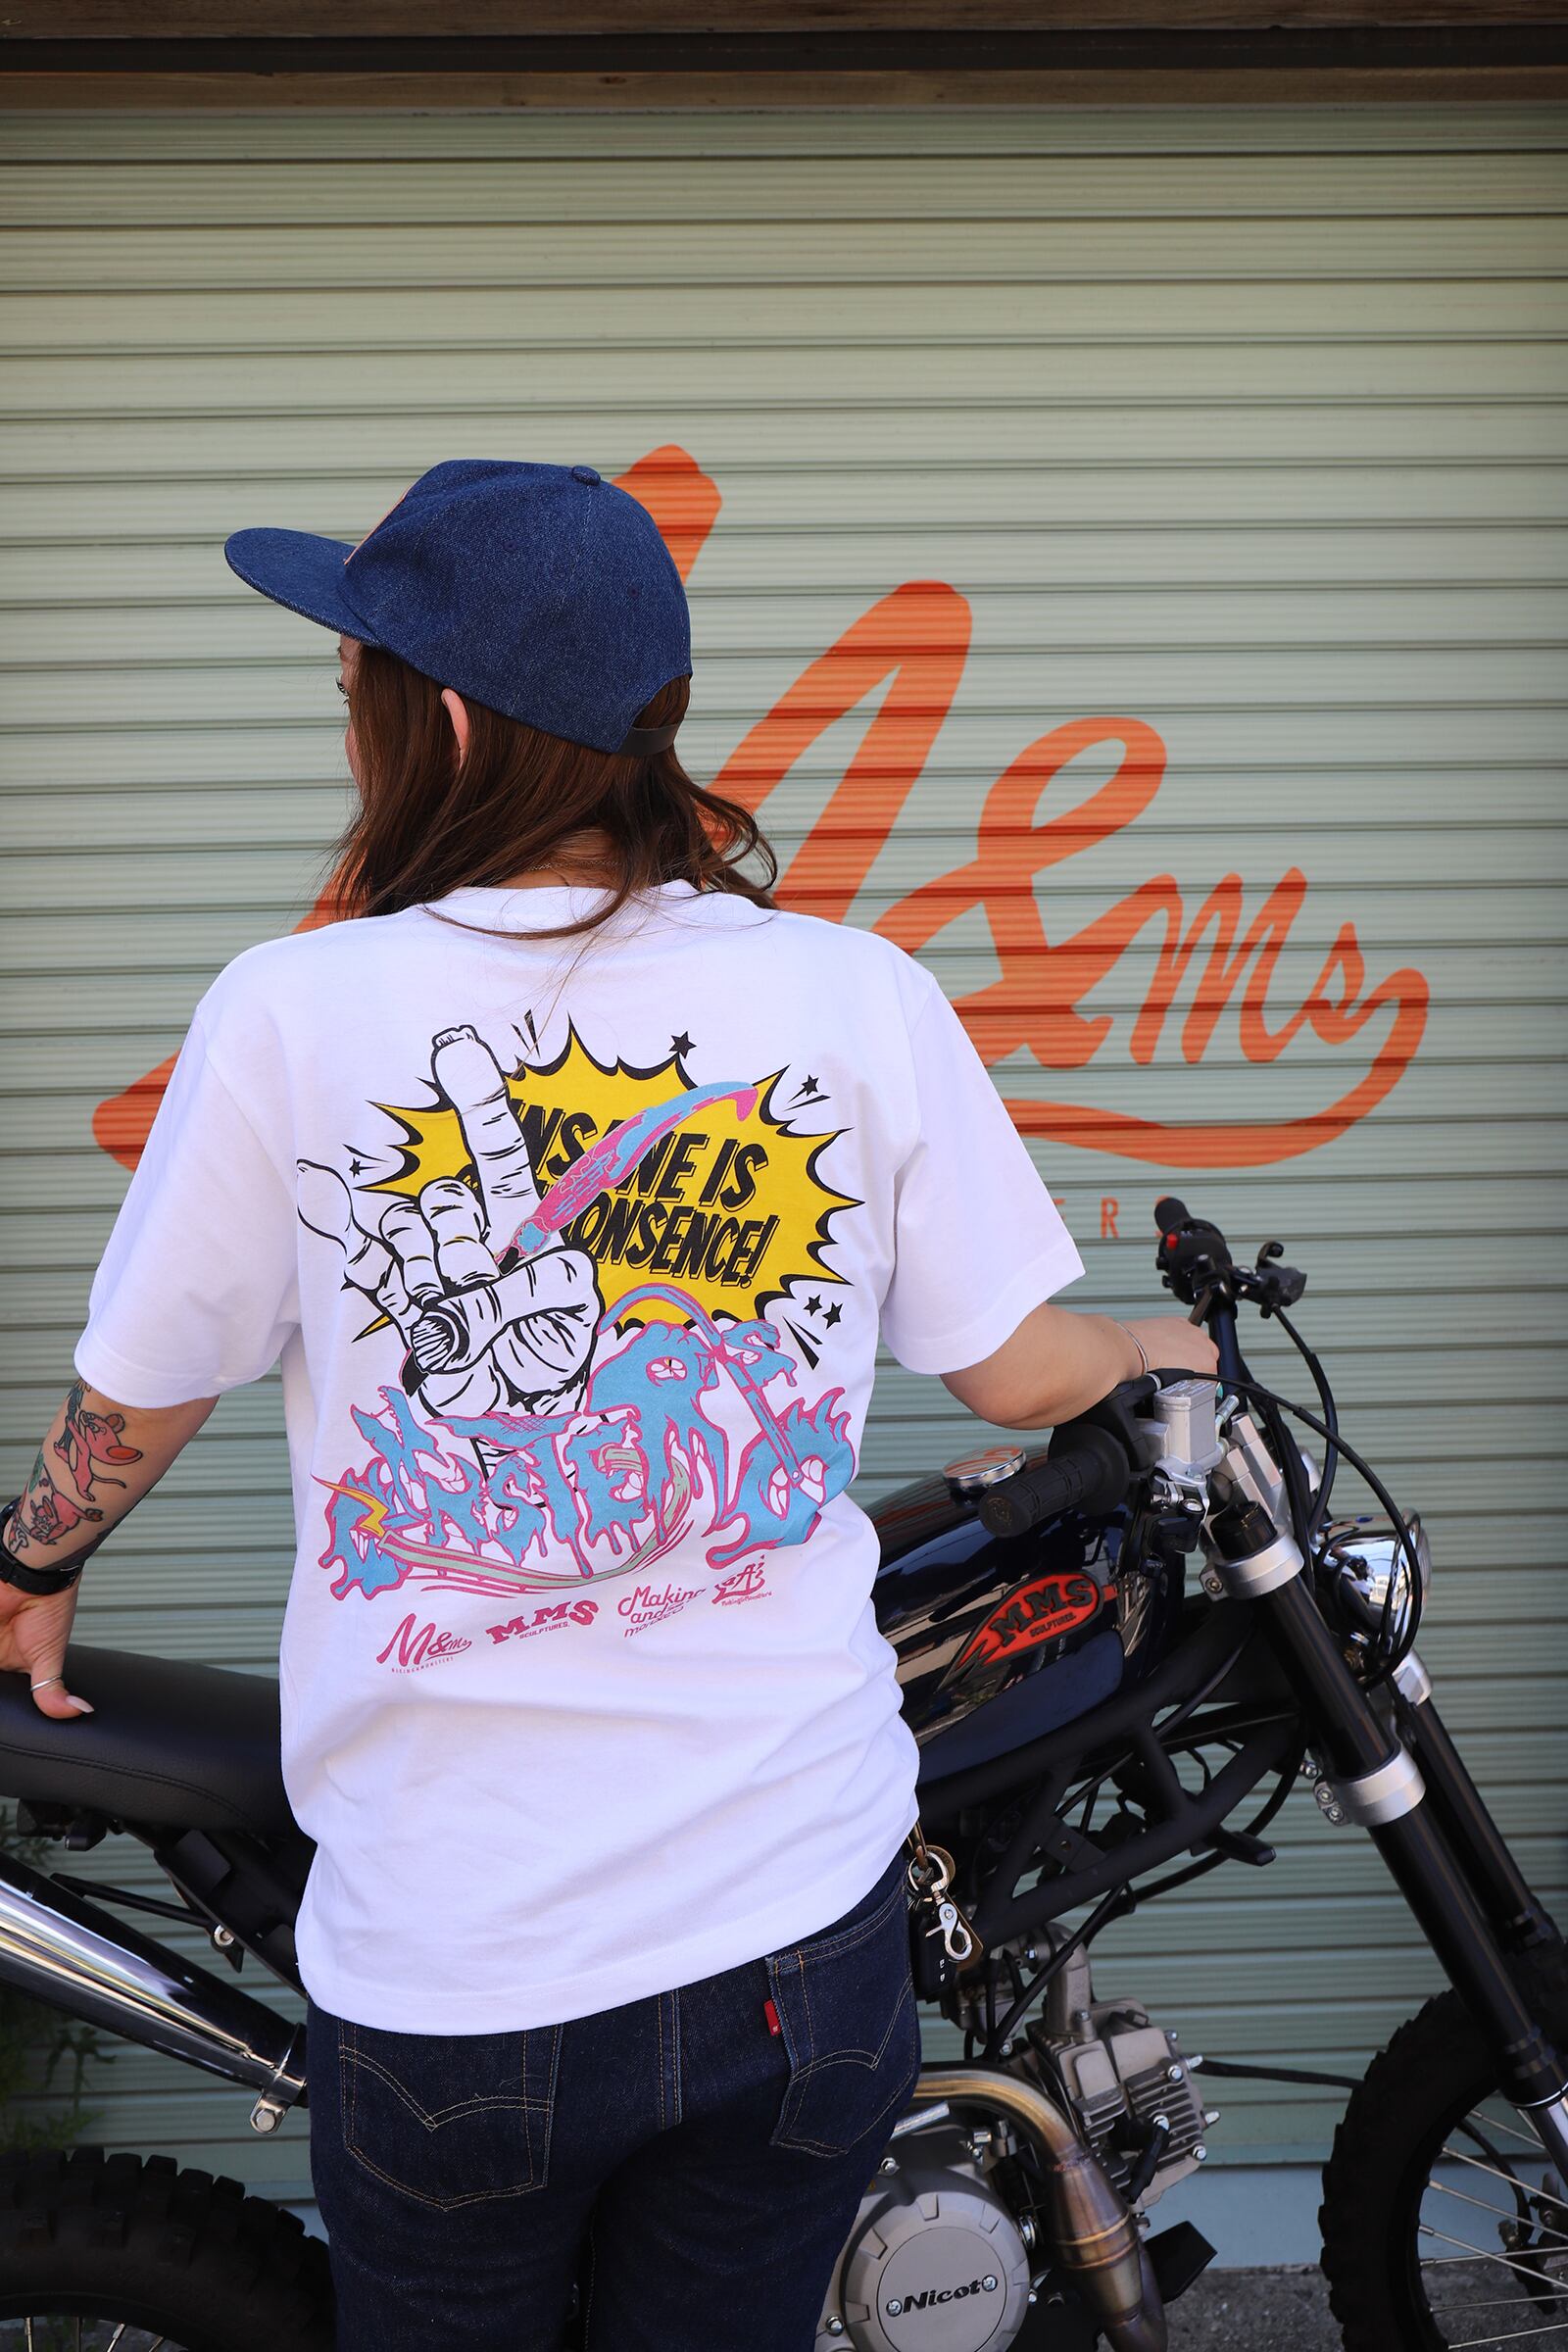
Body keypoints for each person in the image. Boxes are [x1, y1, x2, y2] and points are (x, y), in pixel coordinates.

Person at [0, 460, 1217, 2351]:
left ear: (446, 722)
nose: (345, 701)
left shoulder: (293, 1011)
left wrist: (32, 1562)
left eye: (358, 670)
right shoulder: (855, 994)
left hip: (462, 1974)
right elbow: (1015, 1366)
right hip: (798, 1942)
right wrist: (1160, 1349)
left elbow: (140, 1392)